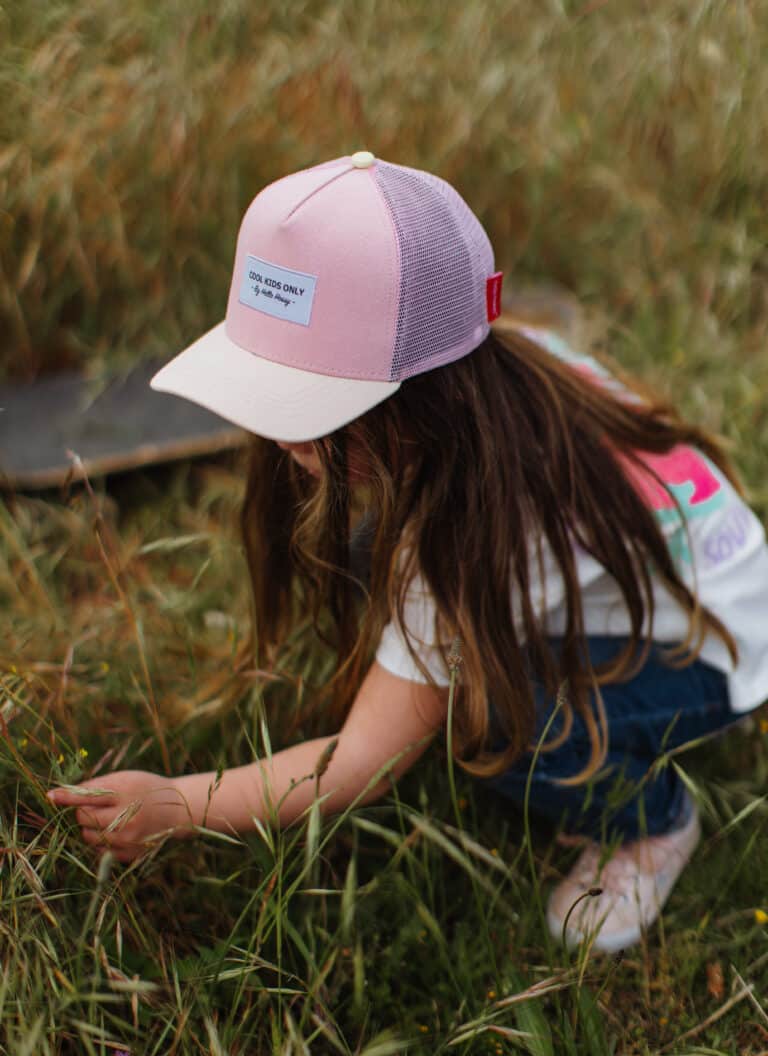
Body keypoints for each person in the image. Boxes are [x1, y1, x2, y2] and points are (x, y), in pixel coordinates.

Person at [47, 151, 768, 953]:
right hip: (667, 576)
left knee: (499, 724)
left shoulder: (466, 540)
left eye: (313, 407)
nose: (285, 435)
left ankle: (653, 822)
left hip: (715, 644)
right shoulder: (503, 371)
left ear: (424, 400)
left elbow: (363, 762)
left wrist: (181, 805)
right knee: (388, 578)